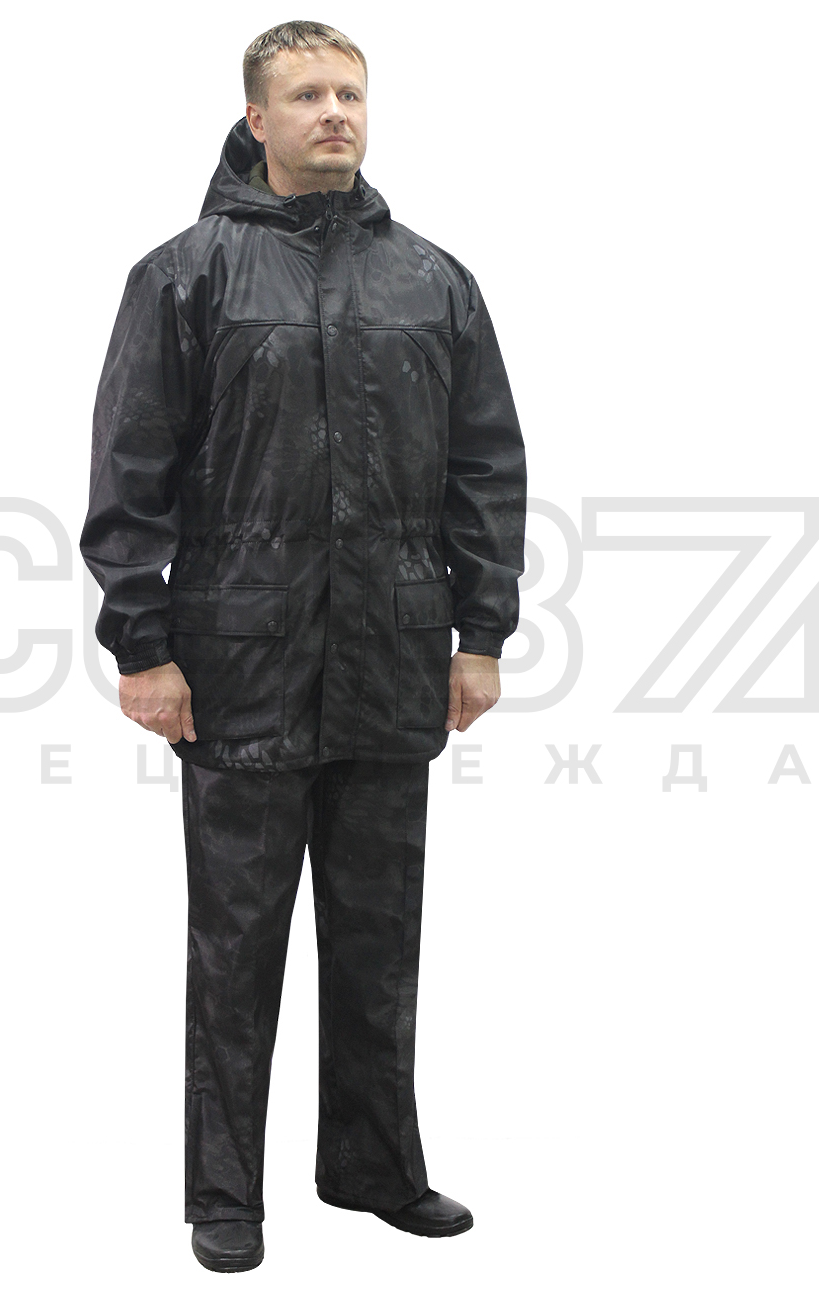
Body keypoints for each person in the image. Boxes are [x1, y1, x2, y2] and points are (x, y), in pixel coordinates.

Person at [79, 19, 527, 1275]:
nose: (335, 112)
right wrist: (141, 647)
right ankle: (225, 1193)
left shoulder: (434, 281)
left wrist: (481, 634)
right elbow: (128, 472)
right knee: (235, 947)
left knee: (380, 937)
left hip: (392, 656)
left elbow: (486, 468)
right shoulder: (185, 276)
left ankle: (373, 1167)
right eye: (308, 94)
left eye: (350, 93)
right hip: (240, 666)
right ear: (256, 119)